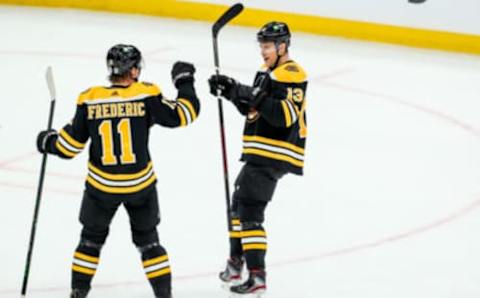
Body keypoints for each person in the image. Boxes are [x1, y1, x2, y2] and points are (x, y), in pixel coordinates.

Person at [36, 44, 200, 298]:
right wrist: (184, 83)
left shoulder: (90, 98)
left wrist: (48, 142)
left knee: (90, 240)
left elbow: (69, 147)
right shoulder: (146, 94)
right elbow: (185, 114)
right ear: (133, 71)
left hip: (101, 188)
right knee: (149, 242)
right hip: (141, 187)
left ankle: (78, 293)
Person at [208, 21, 308, 295]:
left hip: (275, 152)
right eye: (261, 45)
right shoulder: (265, 73)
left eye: (267, 46)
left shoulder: (292, 73)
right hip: (260, 151)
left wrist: (243, 91)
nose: (262, 51)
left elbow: (284, 116)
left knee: (250, 212)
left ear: (282, 46)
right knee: (238, 205)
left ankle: (256, 276)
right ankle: (236, 263)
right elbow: (253, 109)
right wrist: (229, 91)